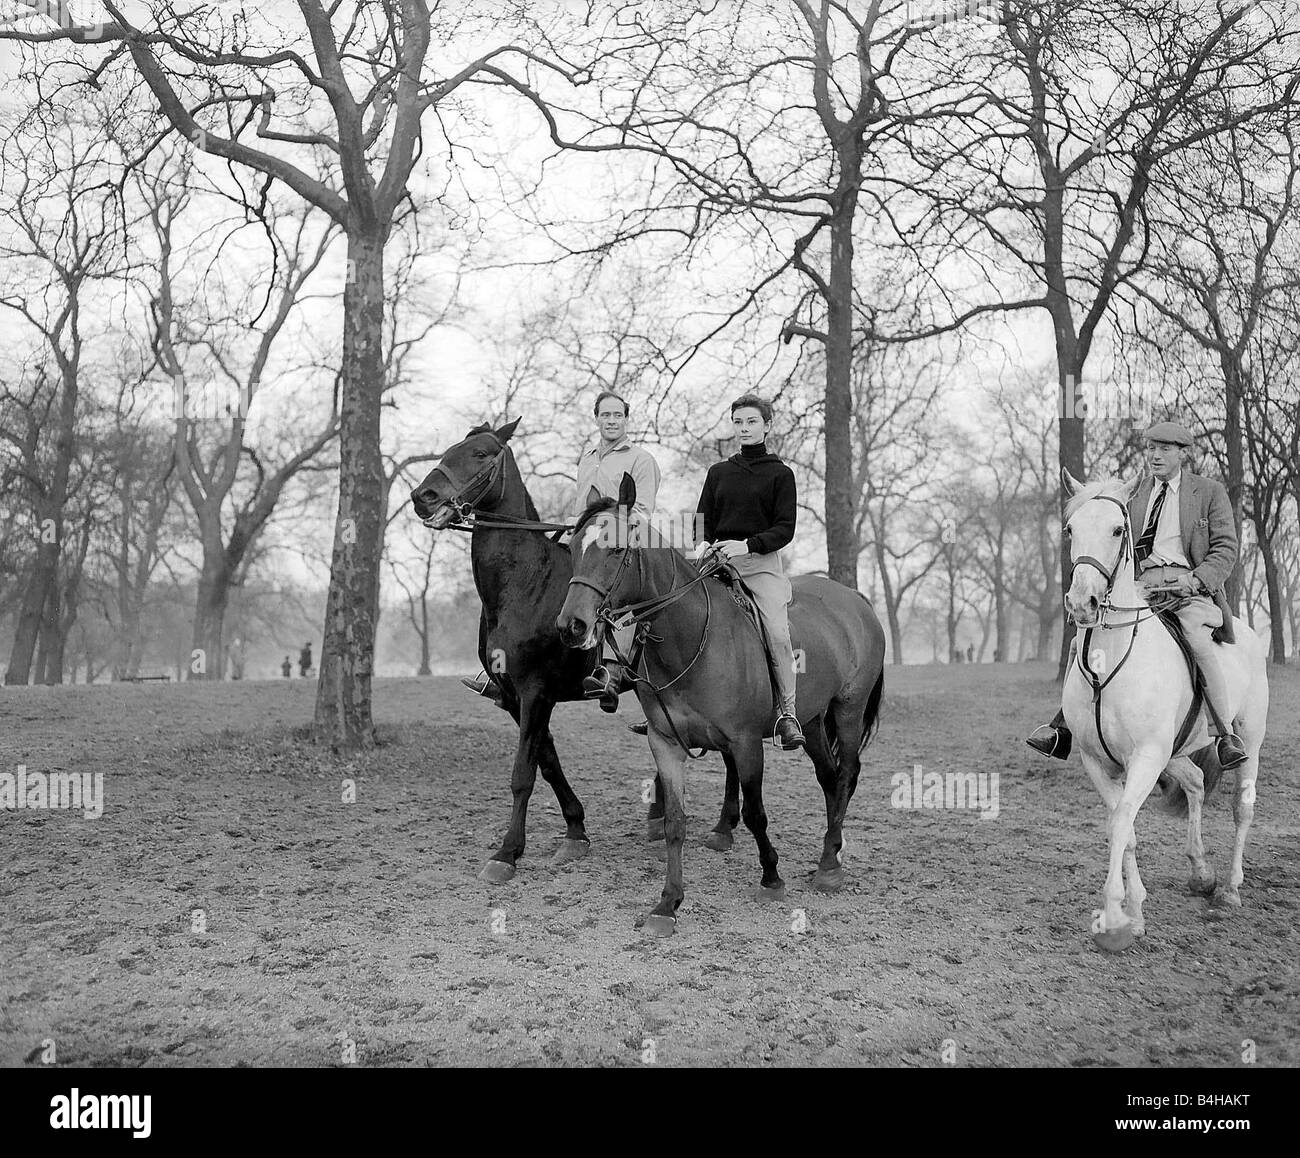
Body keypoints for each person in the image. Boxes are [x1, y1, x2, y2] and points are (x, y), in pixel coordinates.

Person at [1027, 420, 1248, 769]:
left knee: (1196, 640)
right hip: (1143, 588)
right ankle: (1063, 727)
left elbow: (1226, 549)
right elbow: (1110, 534)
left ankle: (1224, 733)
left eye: (1164, 449)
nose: (1155, 456)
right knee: (1081, 640)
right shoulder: (1137, 492)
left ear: (1181, 453)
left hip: (1189, 592)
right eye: (1151, 448)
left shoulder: (1208, 492)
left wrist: (1195, 580)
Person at [462, 390, 661, 709]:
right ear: (596, 419)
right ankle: (503, 670)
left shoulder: (641, 460)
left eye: (617, 415)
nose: (611, 420)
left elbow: (643, 512)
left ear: (626, 419)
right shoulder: (588, 457)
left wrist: (605, 533)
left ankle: (610, 671)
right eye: (605, 415)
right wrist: (575, 529)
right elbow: (583, 505)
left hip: (622, 541)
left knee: (615, 586)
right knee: (524, 582)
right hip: (585, 538)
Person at [630, 393, 802, 749]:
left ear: (767, 426)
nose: (744, 428)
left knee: (778, 633)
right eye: (738, 422)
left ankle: (787, 713)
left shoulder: (781, 475)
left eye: (752, 422)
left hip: (760, 566)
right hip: (715, 562)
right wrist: (703, 543)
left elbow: (785, 529)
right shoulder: (719, 472)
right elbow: (701, 520)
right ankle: (660, 707)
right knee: (662, 612)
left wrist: (747, 545)